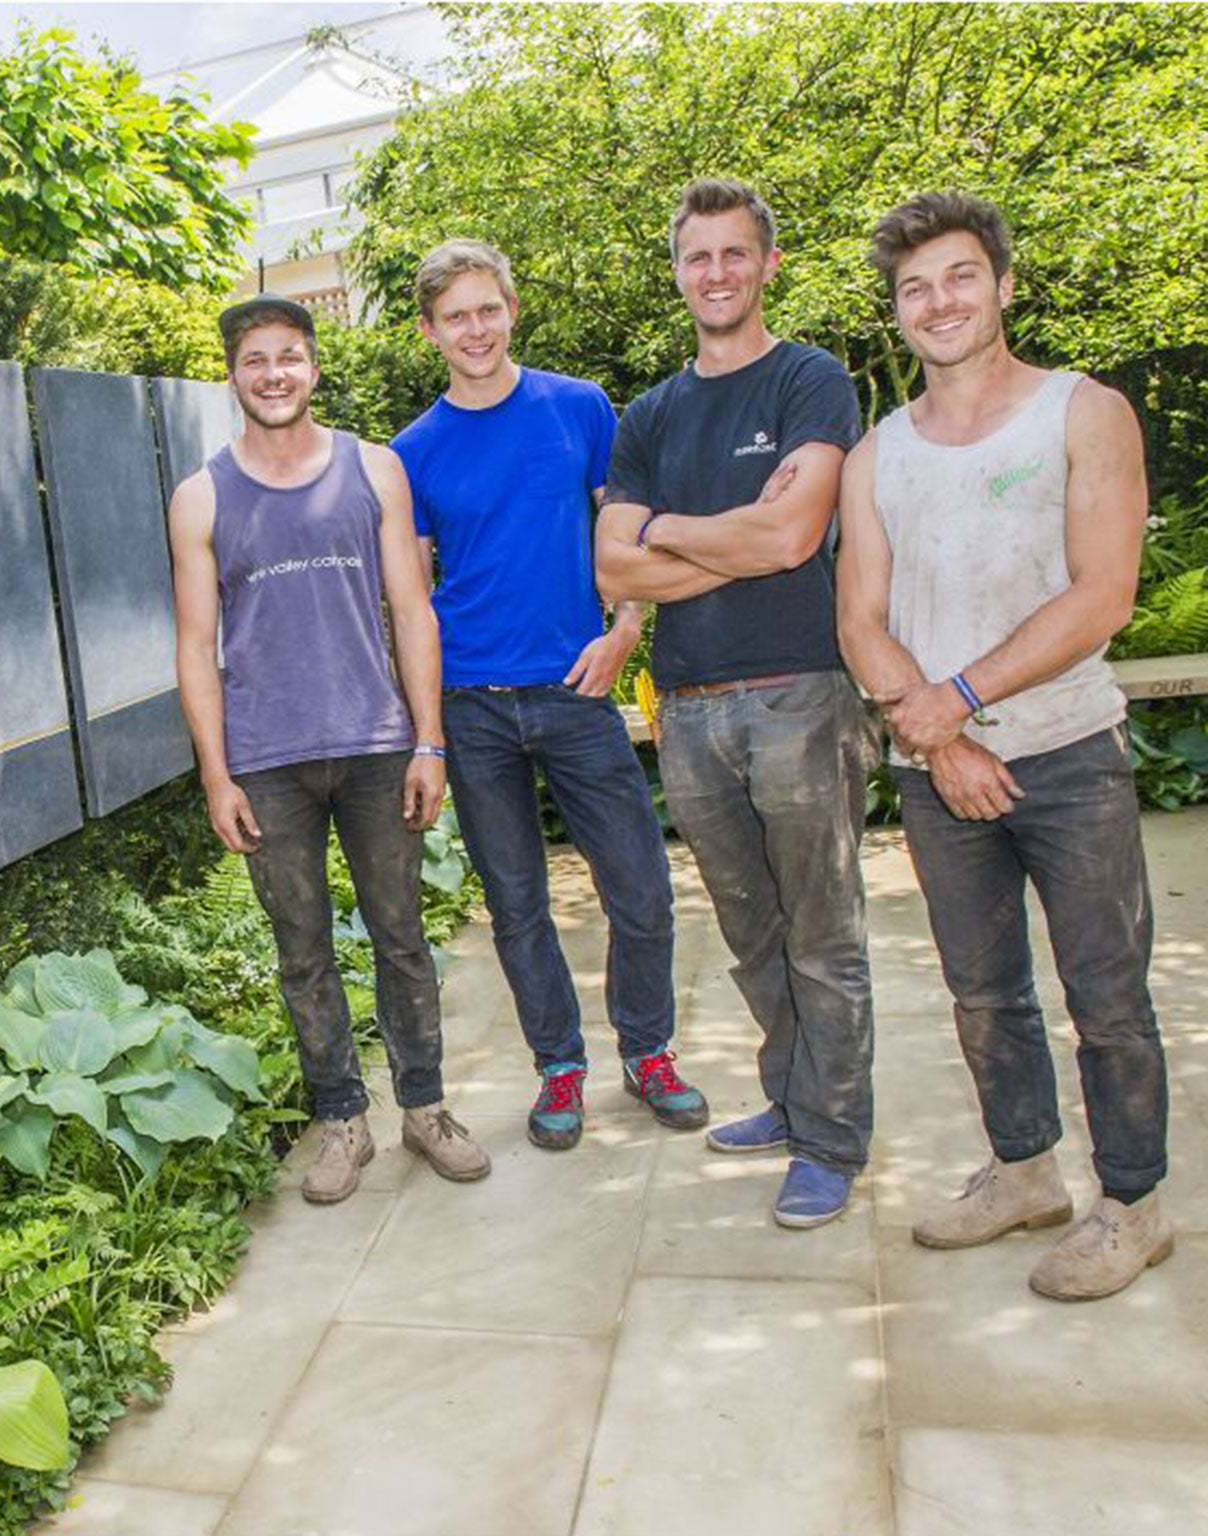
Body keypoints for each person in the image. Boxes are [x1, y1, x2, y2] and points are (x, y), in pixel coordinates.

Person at [836, 192, 1172, 1300]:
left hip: (1067, 753)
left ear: (1002, 285)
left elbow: (1103, 595)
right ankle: (1024, 1171)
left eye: (957, 277)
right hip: (940, 775)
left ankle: (1131, 1205)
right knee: (982, 994)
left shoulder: (1082, 413)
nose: (937, 302)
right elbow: (858, 619)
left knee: (1105, 992)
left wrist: (958, 699)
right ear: (895, 310)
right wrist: (937, 742)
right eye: (913, 287)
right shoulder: (875, 453)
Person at [596, 179, 877, 1229]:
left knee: (822, 933)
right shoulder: (649, 414)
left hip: (797, 693)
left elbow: (790, 539)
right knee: (751, 931)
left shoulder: (809, 382)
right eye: (694, 257)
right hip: (688, 708)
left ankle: (832, 1141)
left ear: (765, 264)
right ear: (676, 274)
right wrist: (726, 535)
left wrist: (667, 529)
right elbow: (613, 570)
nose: (712, 273)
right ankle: (791, 1098)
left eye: (731, 254)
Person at [169, 292, 491, 1204]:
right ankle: (343, 1121)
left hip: (378, 744)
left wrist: (429, 741)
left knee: (401, 938)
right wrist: (215, 773)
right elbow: (196, 645)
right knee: (302, 949)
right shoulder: (200, 496)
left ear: (313, 366)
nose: (274, 374)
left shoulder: (374, 469)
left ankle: (425, 1110)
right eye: (254, 360)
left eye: (289, 357)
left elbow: (412, 609)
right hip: (267, 763)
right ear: (232, 376)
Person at [392, 239, 708, 1151]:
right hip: (474, 704)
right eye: (456, 316)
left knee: (641, 887)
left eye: (488, 308)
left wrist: (624, 632)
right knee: (517, 903)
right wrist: (427, 732)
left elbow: (628, 538)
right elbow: (413, 601)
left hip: (576, 691)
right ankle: (559, 1068)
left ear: (512, 309)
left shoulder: (578, 407)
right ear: (430, 332)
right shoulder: (413, 451)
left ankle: (648, 1052)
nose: (475, 328)